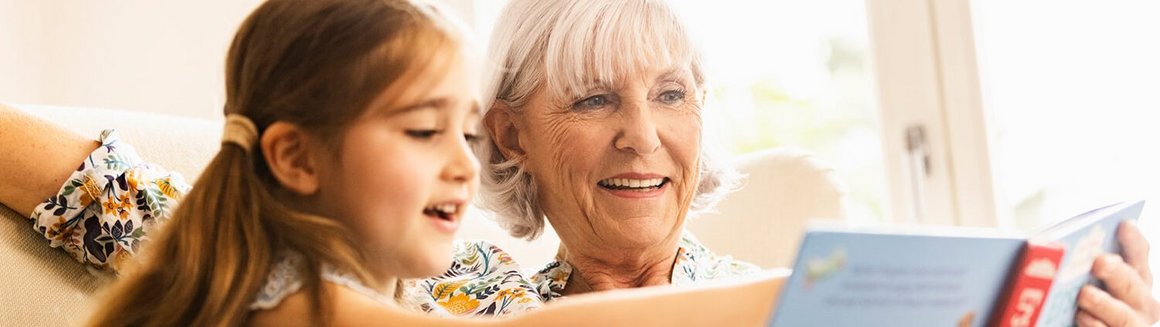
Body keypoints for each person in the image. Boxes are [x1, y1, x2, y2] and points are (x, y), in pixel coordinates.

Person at [0, 0, 781, 325]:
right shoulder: (431, 279)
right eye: (593, 100)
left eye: (673, 93)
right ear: (508, 135)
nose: (643, 135)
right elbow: (134, 207)